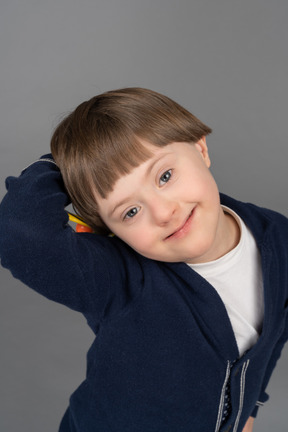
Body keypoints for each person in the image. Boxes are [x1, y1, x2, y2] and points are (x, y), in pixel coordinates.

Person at [0, 88, 287, 432]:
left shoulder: (278, 238)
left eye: (165, 176)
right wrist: (68, 163)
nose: (164, 213)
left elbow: (275, 332)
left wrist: (249, 407)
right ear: (109, 229)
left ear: (200, 148)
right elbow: (19, 235)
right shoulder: (117, 277)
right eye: (131, 211)